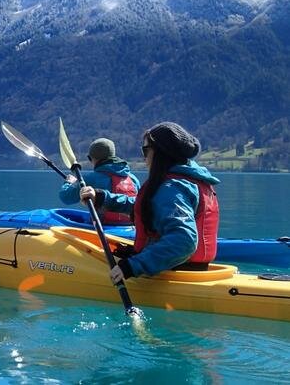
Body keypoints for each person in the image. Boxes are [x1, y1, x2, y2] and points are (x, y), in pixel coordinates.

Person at [79, 122, 220, 284]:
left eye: (145, 150)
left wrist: (132, 266)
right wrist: (101, 197)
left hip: (172, 270)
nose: (143, 157)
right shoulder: (185, 181)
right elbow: (148, 206)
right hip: (188, 266)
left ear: (161, 153)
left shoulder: (172, 188)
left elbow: (184, 240)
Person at [59, 137, 140, 224]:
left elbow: (66, 197)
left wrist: (68, 183)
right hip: (130, 227)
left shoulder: (90, 178)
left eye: (90, 159)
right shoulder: (133, 179)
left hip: (102, 227)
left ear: (92, 158)